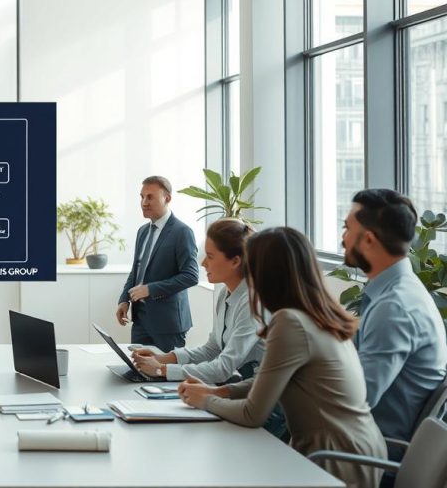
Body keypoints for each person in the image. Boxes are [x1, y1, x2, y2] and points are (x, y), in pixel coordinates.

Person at [178, 227, 386, 488]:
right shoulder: (316, 314)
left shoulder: (290, 322)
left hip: (336, 461)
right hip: (356, 450)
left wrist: (206, 400)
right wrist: (220, 392)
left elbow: (253, 413)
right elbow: (269, 380)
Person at [342, 189, 447, 456]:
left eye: (347, 228)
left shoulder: (394, 307)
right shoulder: (395, 291)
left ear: (368, 239)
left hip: (369, 455)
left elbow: (356, 399)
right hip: (364, 441)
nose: (343, 239)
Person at [131, 218, 263, 383]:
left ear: (235, 261)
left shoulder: (253, 301)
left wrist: (161, 369)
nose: (203, 263)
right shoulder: (225, 294)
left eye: (210, 256)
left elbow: (223, 368)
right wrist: (163, 358)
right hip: (237, 388)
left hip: (256, 396)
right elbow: (212, 349)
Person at [116, 175, 199, 351]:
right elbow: (136, 271)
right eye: (142, 196)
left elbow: (191, 276)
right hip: (140, 321)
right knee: (139, 373)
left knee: (167, 376)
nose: (144, 202)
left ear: (167, 198)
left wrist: (150, 289)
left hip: (168, 324)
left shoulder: (182, 232)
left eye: (150, 197)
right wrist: (124, 300)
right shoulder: (143, 231)